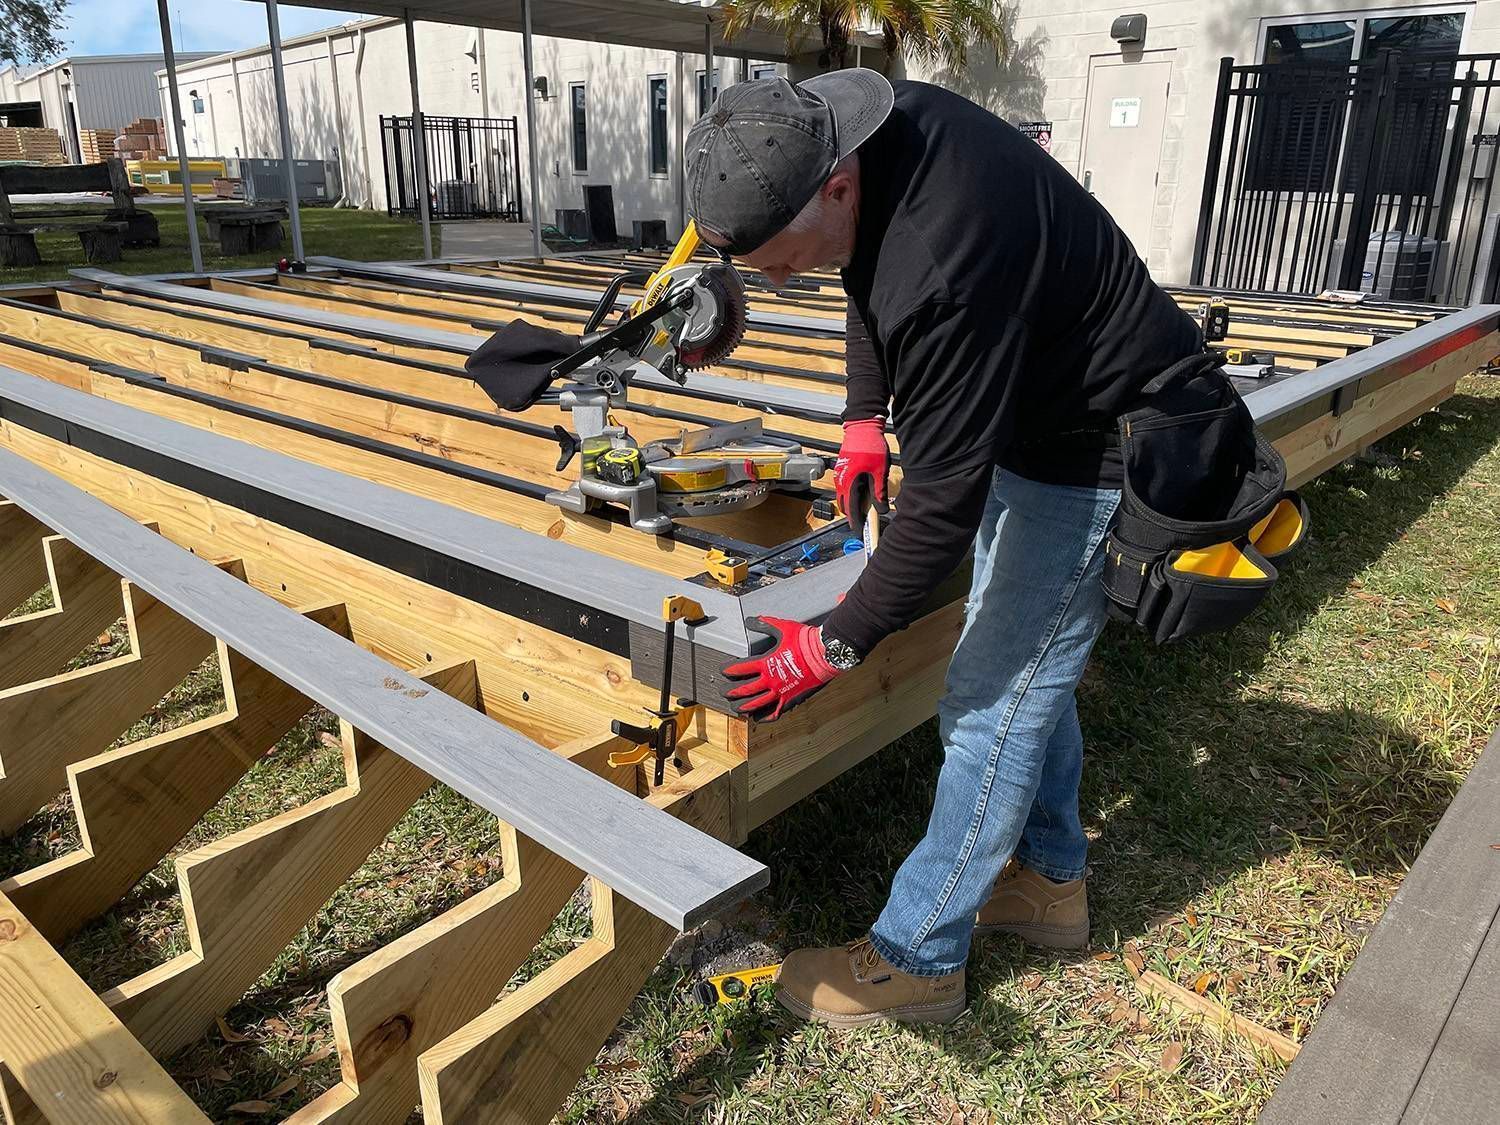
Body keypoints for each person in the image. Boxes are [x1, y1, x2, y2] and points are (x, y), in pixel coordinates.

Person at [685, 69, 1203, 1026]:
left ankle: (918, 957)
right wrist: (863, 417)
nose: (777, 279)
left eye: (777, 259)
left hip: (1098, 432)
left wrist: (833, 642)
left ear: (835, 184)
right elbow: (862, 273)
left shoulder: (945, 268)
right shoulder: (872, 134)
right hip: (1034, 396)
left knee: (988, 698)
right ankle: (1050, 879)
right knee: (1027, 661)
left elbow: (937, 516)